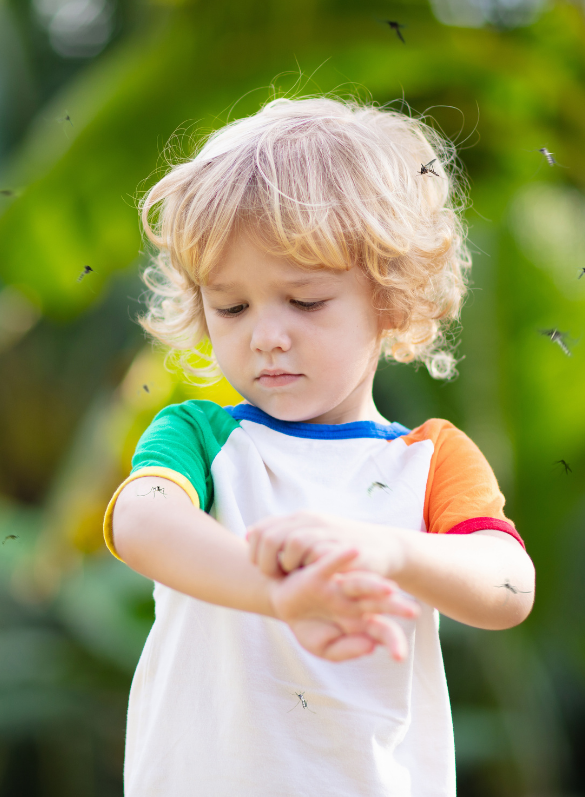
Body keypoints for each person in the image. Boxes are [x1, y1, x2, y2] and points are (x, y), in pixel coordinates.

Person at [104, 95, 535, 796]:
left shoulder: (429, 460)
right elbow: (141, 522)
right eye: (232, 306)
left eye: (304, 302)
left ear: (391, 300)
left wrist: (392, 551)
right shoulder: (201, 437)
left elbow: (511, 588)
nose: (266, 334)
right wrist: (281, 593)